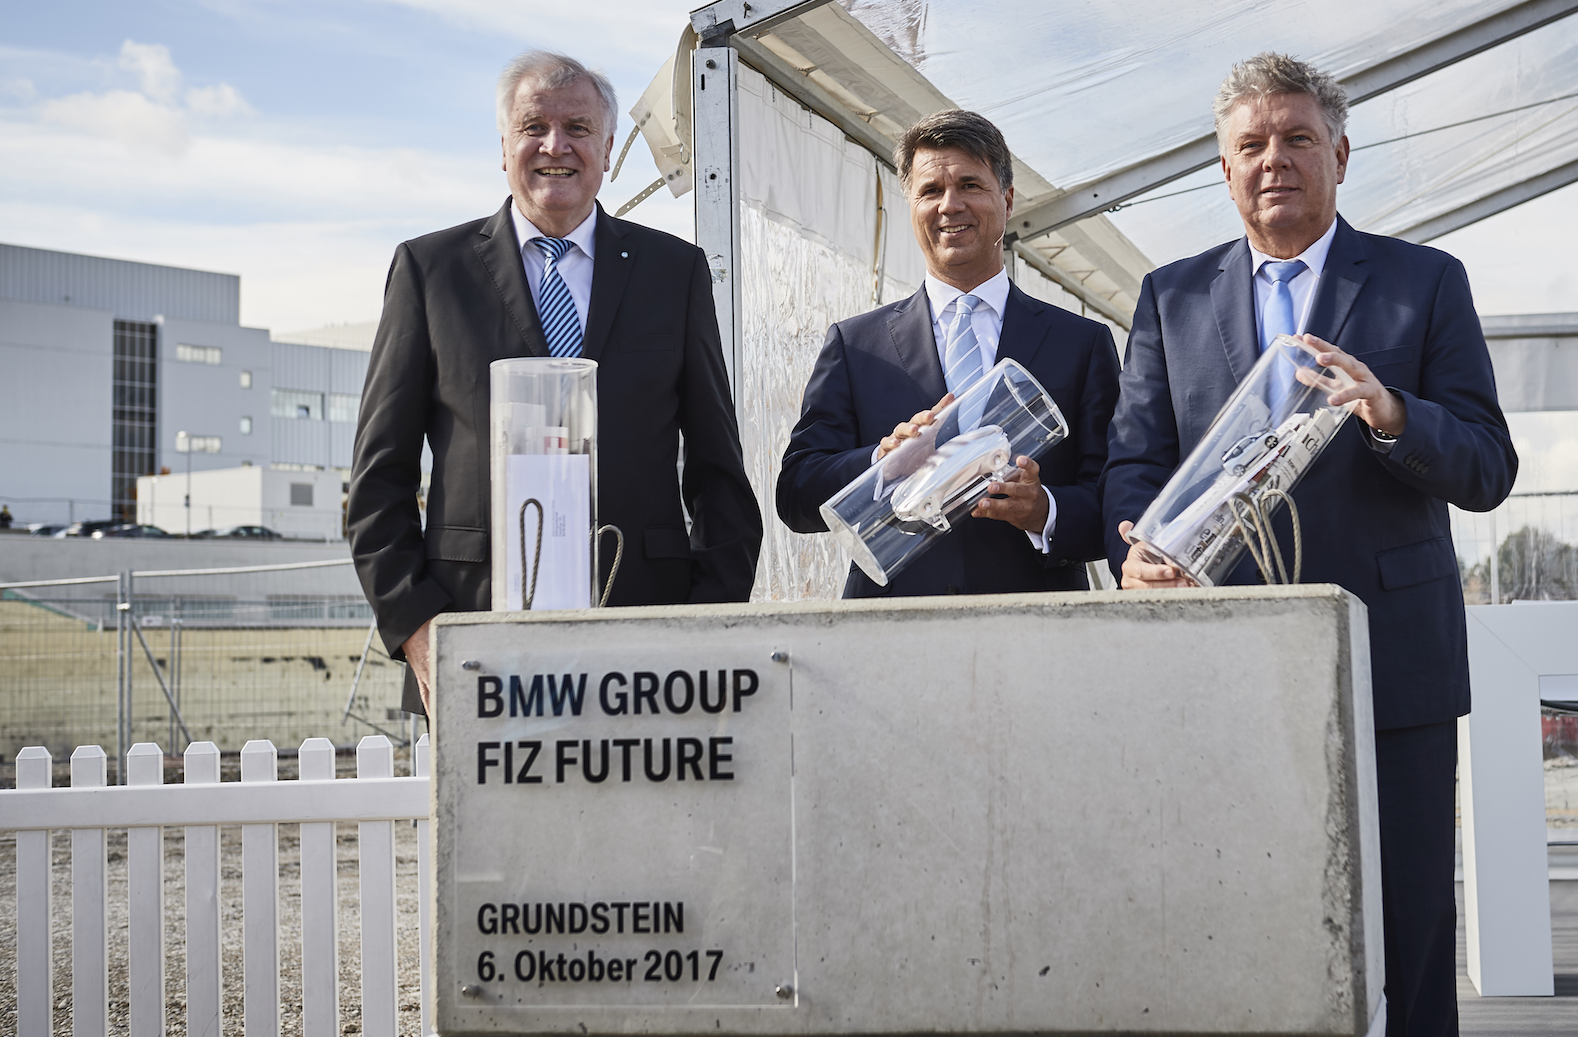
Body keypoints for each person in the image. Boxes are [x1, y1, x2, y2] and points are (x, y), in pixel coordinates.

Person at [1103, 54, 1516, 1037]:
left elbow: (1488, 463)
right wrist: (1134, 547)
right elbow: (1134, 461)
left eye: (1297, 138)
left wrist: (1392, 413)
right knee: (1238, 910)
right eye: (1251, 144)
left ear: (1341, 153)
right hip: (1224, 658)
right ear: (1224, 169)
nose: (1273, 159)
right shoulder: (1169, 296)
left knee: (1410, 917)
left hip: (1393, 657)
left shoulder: (1424, 282)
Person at [348, 50, 762, 717]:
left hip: (648, 635)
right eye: (533, 127)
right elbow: (378, 480)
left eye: (578, 128)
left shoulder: (673, 272)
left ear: (607, 148)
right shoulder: (431, 272)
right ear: (503, 146)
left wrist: (707, 622)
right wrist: (418, 629)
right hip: (471, 635)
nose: (554, 147)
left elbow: (719, 474)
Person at [777, 110, 1121, 596]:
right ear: (911, 206)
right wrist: (881, 460)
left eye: (969, 185)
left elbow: (1119, 494)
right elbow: (796, 493)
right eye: (930, 191)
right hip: (892, 619)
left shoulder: (1081, 343)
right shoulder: (855, 346)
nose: (949, 205)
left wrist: (1044, 509)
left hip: (1036, 618)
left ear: (1007, 199)